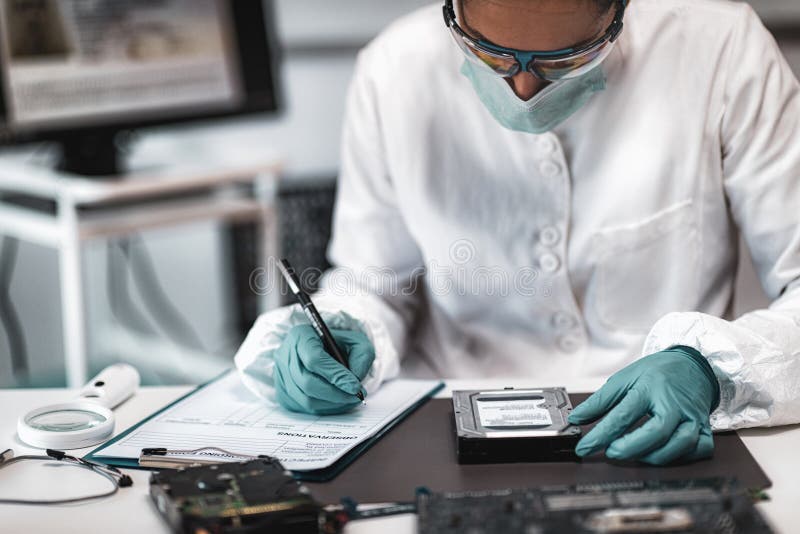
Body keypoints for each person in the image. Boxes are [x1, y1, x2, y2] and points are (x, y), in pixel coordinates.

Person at [235, 0, 800, 465]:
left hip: (659, 427)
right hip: (446, 429)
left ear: (620, 13)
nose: (524, 88)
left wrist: (710, 368)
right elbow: (377, 280)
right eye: (490, 55)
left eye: (566, 60)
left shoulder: (722, 50)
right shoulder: (393, 71)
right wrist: (346, 326)